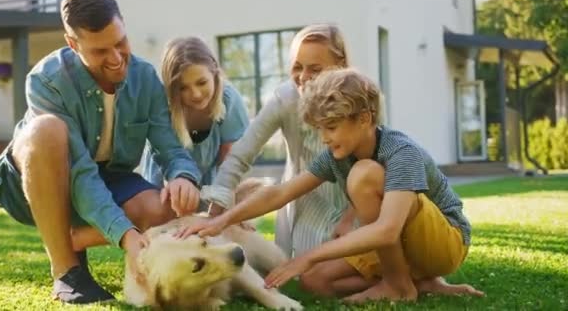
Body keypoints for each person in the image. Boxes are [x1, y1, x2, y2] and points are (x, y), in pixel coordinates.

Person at [180, 68, 484, 302]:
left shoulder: (400, 152)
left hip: (445, 242)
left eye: (332, 127)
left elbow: (387, 230)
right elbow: (282, 193)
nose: (324, 137)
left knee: (364, 175)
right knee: (315, 282)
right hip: (402, 245)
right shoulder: (339, 155)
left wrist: (308, 255)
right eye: (320, 128)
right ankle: (421, 283)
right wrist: (220, 220)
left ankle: (398, 285)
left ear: (364, 118)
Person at [0, 0, 201, 304]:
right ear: (73, 44)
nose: (115, 58)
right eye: (100, 51)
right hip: (39, 179)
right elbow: (80, 172)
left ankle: (73, 240)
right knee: (45, 129)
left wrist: (182, 176)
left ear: (123, 25)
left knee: (162, 208)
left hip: (108, 174)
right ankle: (66, 271)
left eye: (120, 43)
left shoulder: (145, 78)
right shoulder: (46, 80)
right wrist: (125, 235)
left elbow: (170, 148)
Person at [199, 24, 356, 256]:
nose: (303, 77)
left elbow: (376, 166)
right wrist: (216, 213)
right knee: (307, 268)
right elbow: (242, 153)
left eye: (315, 69)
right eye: (297, 67)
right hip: (302, 196)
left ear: (340, 66)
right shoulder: (285, 99)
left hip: (352, 198)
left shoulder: (360, 98)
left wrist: (352, 215)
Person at [141, 37, 249, 204]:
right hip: (164, 180)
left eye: (202, 82)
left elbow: (229, 161)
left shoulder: (228, 99)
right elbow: (165, 158)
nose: (196, 94)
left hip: (211, 181)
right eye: (183, 88)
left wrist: (226, 201)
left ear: (214, 72)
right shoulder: (163, 106)